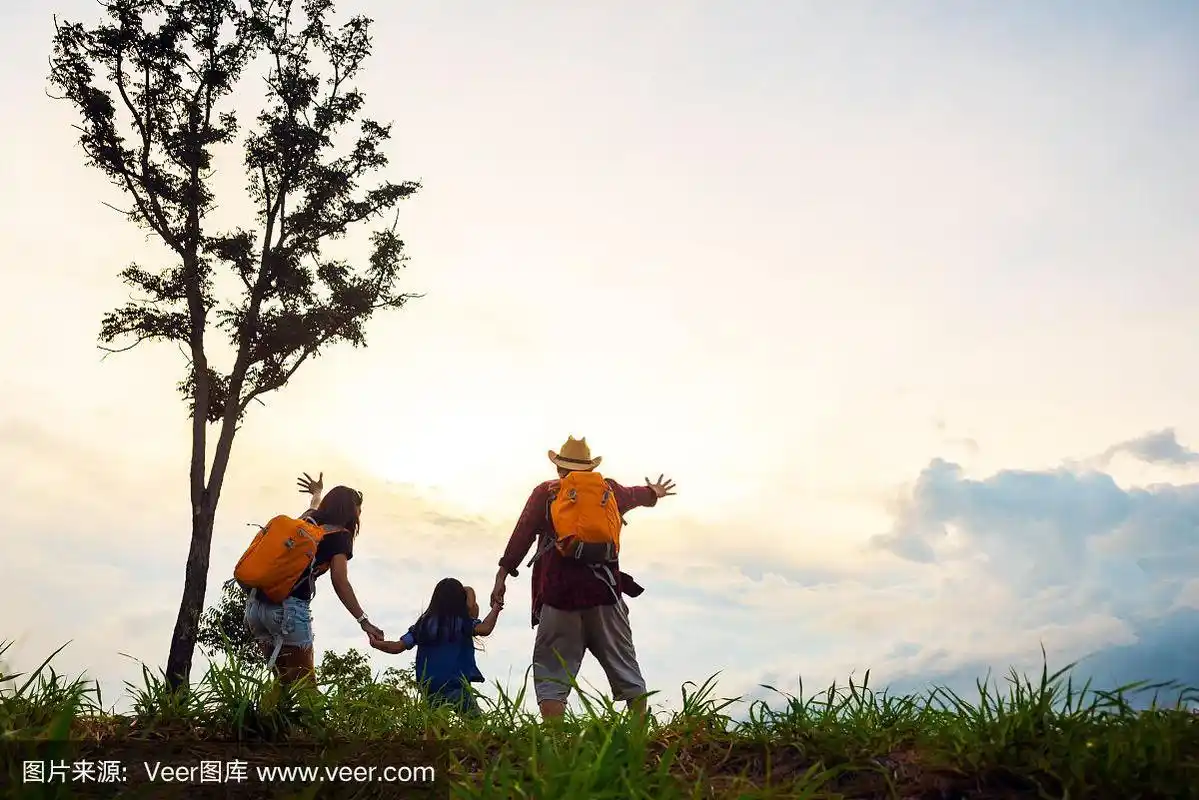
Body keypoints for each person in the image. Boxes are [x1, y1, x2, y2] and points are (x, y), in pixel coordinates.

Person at [490, 436, 676, 721]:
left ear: (558, 467)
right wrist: (655, 492)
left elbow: (522, 533)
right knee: (627, 671)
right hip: (605, 595)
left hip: (559, 597)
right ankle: (639, 737)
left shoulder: (546, 492)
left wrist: (502, 574)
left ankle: (554, 740)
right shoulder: (609, 490)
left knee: (552, 676)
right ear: (590, 467)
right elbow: (638, 495)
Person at [243, 472, 384, 685]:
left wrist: (317, 492)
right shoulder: (340, 536)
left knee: (283, 684)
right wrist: (364, 621)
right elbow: (340, 581)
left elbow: (315, 504)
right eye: (358, 509)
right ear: (350, 511)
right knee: (306, 690)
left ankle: (263, 709)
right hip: (289, 612)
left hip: (256, 608)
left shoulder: (308, 519)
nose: (359, 514)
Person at [369, 577, 502, 716]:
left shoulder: (423, 625)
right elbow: (485, 628)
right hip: (456, 685)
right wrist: (496, 608)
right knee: (475, 725)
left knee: (435, 727)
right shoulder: (460, 623)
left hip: (430, 689)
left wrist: (377, 643)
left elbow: (397, 647)